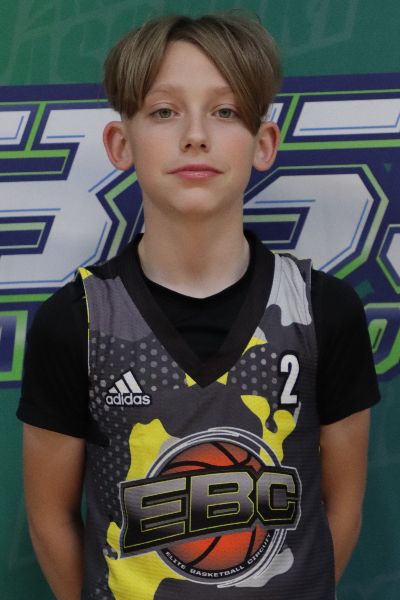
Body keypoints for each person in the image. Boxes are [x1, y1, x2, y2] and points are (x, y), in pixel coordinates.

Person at [18, 11, 380, 600]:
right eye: (164, 111)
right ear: (121, 144)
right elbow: (49, 520)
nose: (195, 135)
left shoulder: (323, 312)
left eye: (225, 111)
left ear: (263, 144)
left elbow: (343, 507)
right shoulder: (77, 322)